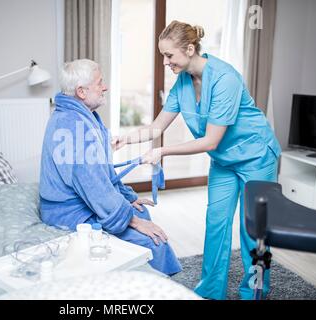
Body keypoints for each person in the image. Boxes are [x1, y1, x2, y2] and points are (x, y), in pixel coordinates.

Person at [112, 21, 281, 299]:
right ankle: (210, 292)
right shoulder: (182, 84)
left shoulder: (226, 78)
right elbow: (157, 127)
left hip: (256, 157)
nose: (166, 62)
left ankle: (255, 293)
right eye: (163, 56)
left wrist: (163, 152)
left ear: (190, 49)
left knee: (255, 233)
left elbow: (210, 140)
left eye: (169, 56)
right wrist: (125, 139)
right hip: (224, 162)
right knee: (216, 224)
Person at [39, 59, 182, 275]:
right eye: (99, 83)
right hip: (68, 213)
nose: (105, 87)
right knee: (154, 243)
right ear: (81, 91)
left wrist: (128, 197)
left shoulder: (82, 117)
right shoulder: (75, 126)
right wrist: (130, 218)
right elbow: (94, 186)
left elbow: (102, 173)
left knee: (141, 212)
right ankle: (160, 291)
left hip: (81, 202)